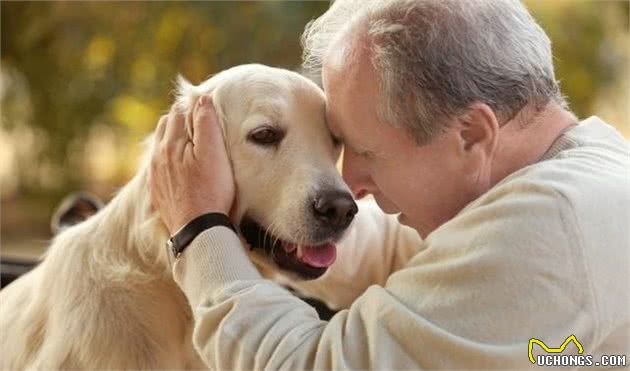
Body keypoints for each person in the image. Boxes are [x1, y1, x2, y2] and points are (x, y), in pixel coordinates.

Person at [149, 0, 629, 368]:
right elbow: (405, 259)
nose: (351, 184)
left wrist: (200, 230)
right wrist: (268, 213)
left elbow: (309, 364)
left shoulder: (547, 232)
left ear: (471, 134)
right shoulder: (586, 171)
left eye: (367, 152)